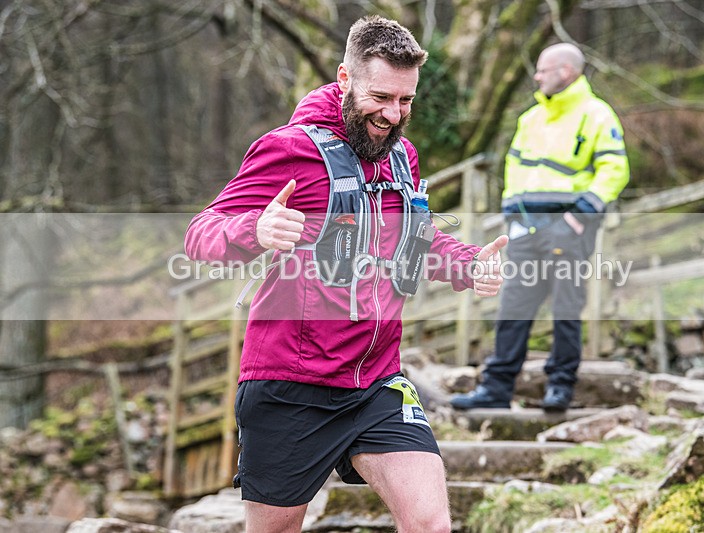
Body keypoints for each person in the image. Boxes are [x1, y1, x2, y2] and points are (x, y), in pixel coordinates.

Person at [184, 15, 507, 533]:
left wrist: (468, 264)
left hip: (378, 380)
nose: (393, 114)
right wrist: (256, 229)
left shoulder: (402, 156)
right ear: (344, 79)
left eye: (406, 101)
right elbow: (201, 233)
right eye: (380, 97)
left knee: (431, 524)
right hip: (292, 384)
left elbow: (414, 240)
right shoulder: (290, 150)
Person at [451, 42, 629, 413]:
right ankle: (496, 388)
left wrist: (578, 217)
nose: (536, 76)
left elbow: (615, 170)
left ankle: (560, 388)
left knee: (566, 307)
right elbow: (514, 172)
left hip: (568, 227)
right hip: (525, 230)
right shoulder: (529, 118)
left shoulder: (597, 114)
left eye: (542, 70)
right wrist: (512, 218)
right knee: (513, 307)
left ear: (565, 72)